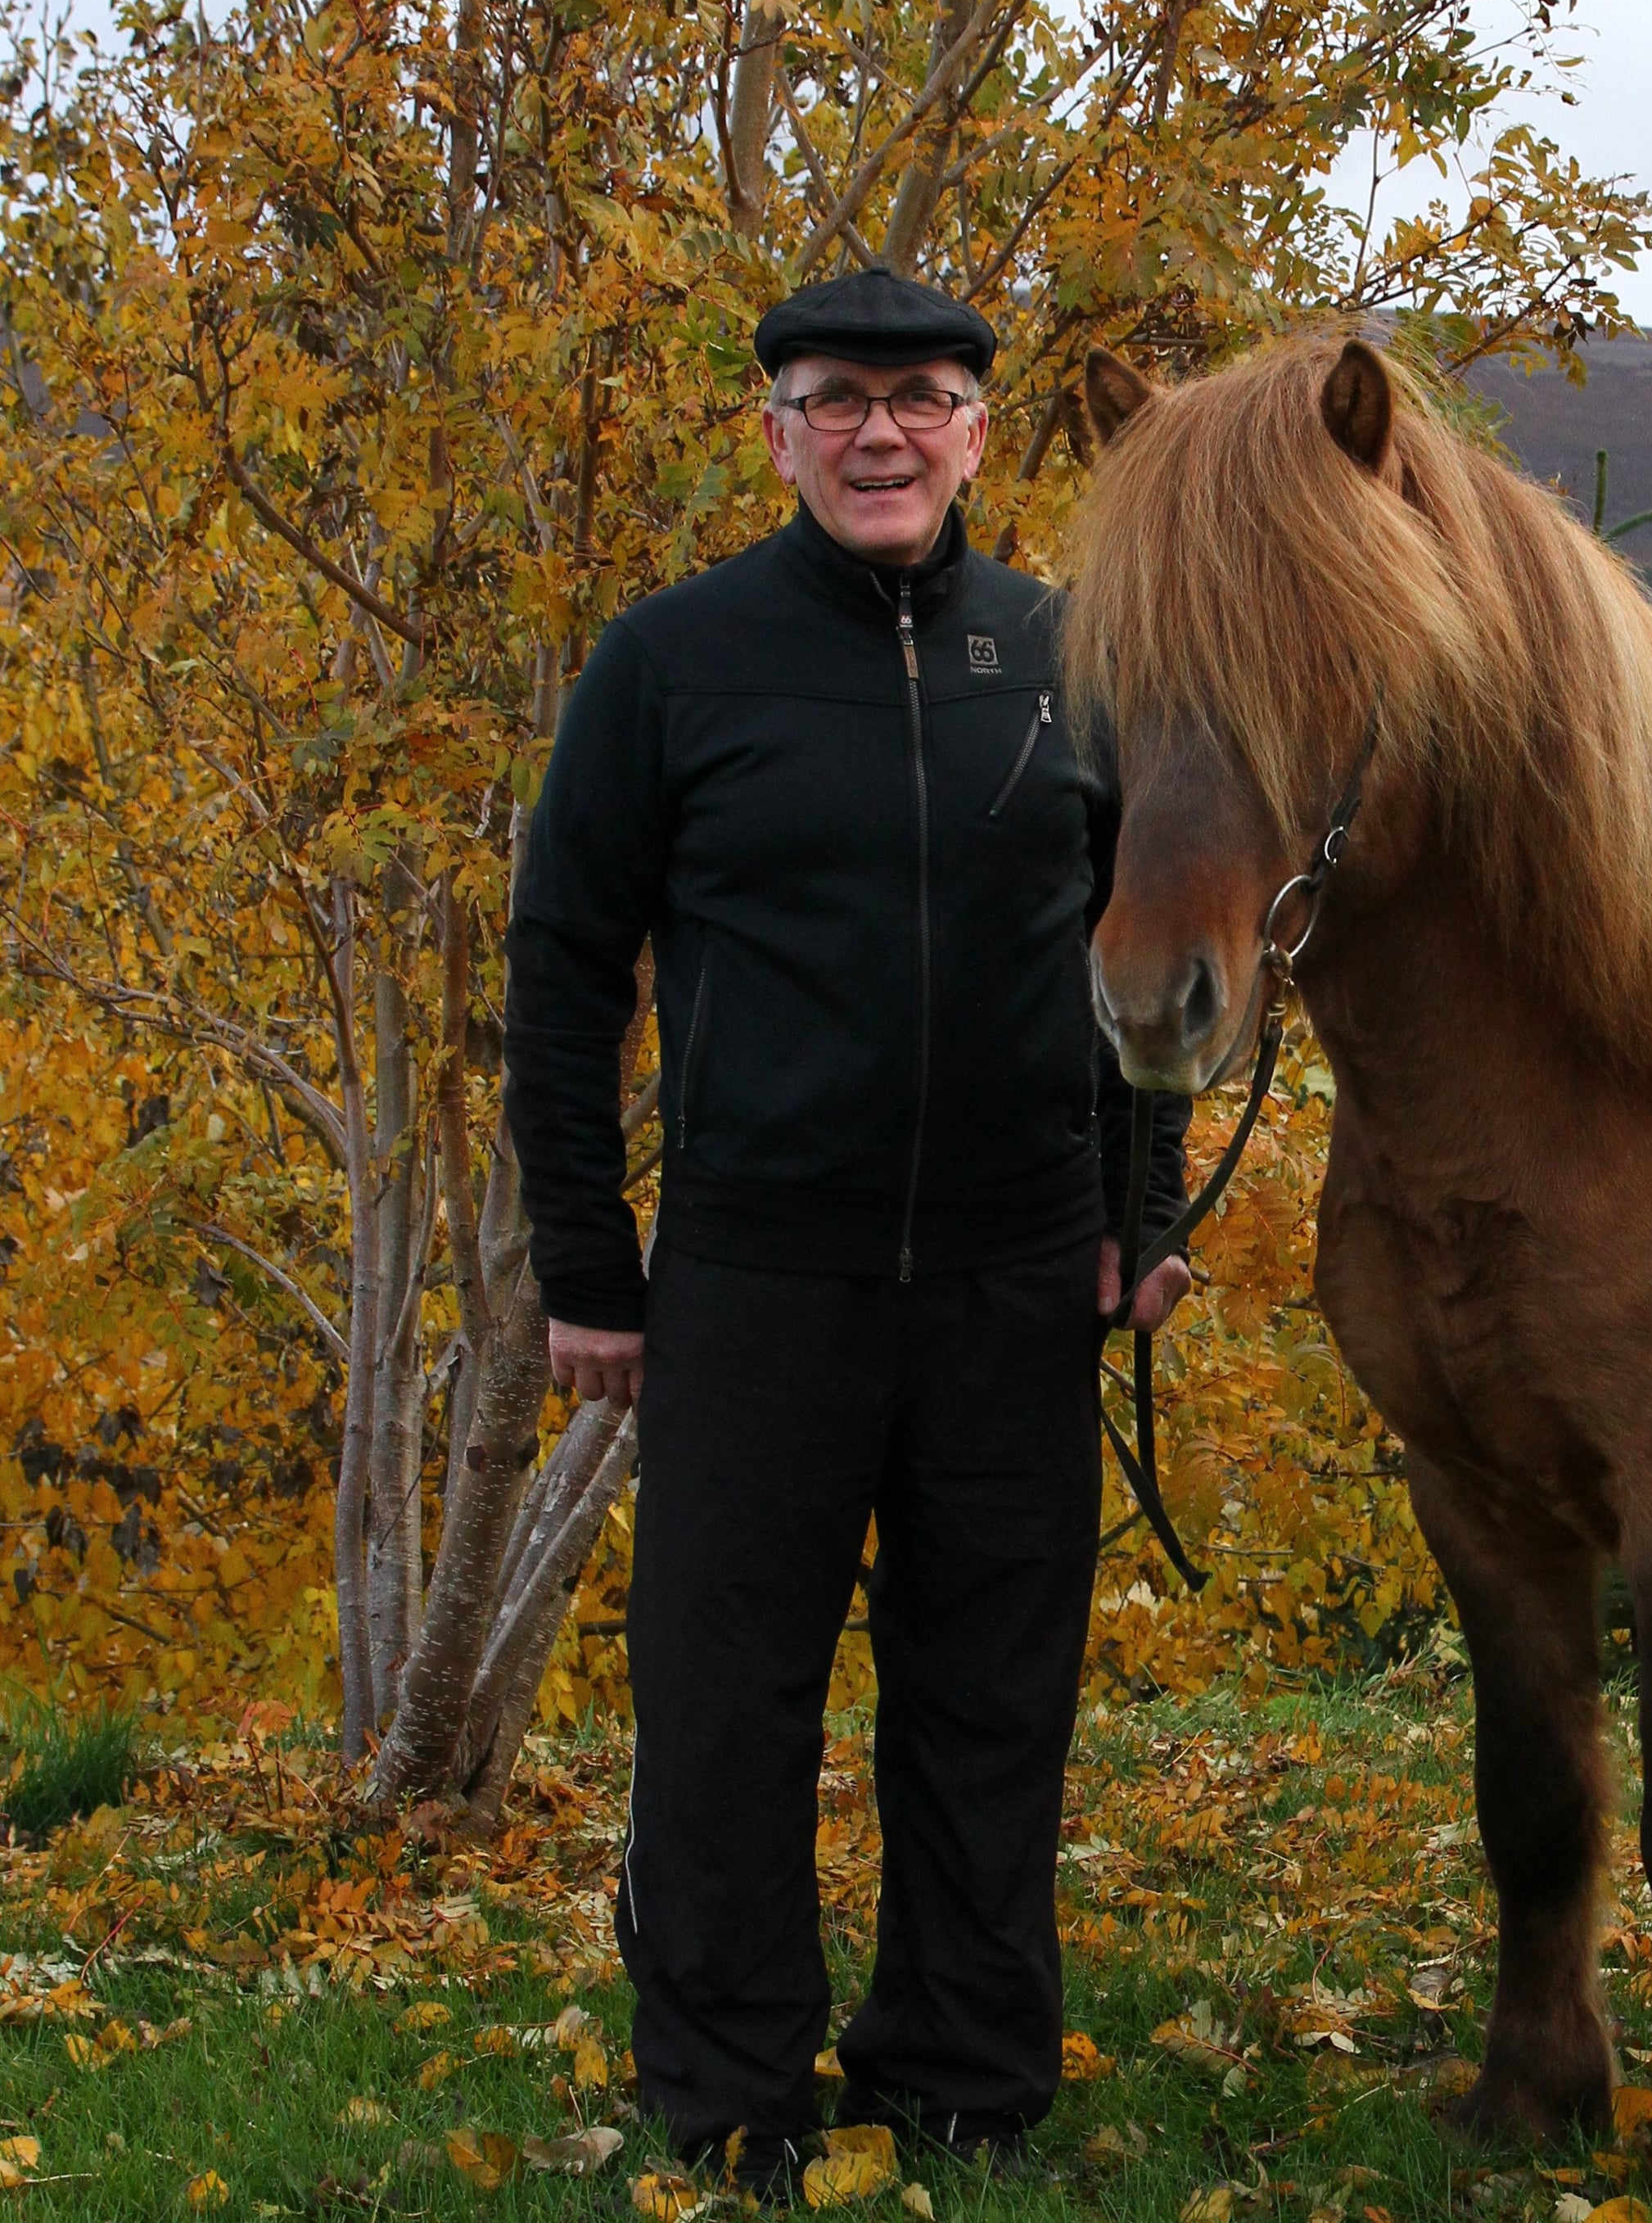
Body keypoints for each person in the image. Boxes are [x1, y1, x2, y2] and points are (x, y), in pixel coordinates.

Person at [503, 264, 1192, 2199]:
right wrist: (585, 1262)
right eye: (837, 399)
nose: (880, 432)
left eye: (919, 398)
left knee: (990, 1696)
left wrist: (1141, 1216)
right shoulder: (674, 662)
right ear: (779, 429)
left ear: (979, 430)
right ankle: (728, 2095)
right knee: (727, 1701)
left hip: (1013, 1275)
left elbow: (1146, 955)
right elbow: (564, 963)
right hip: (756, 1277)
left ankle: (964, 2072)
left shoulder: (1077, 657)